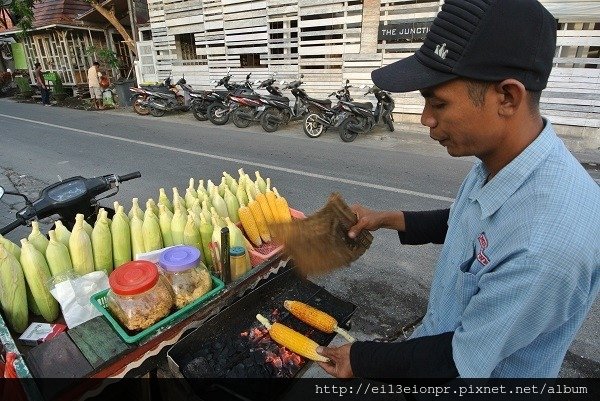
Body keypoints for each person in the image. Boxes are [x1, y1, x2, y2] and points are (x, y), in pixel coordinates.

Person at [316, 0, 600, 379]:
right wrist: (387, 220)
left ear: (507, 98)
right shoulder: (506, 161)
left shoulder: (544, 248)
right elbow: (471, 225)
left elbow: (459, 359)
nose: (425, 119)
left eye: (438, 103)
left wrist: (360, 359)